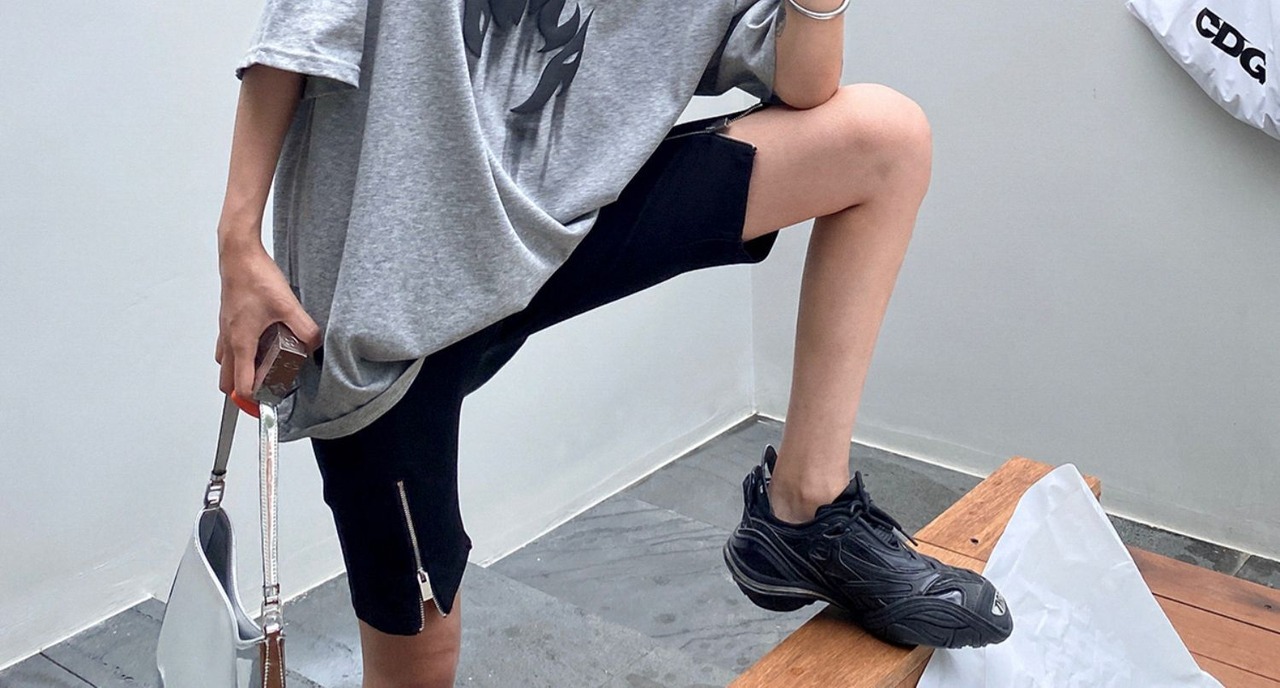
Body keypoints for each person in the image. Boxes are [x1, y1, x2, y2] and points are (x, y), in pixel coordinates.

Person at [215, 0, 1012, 684]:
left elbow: (807, 84)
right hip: (388, 291)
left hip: (564, 231)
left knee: (884, 141)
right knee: (419, 652)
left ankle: (803, 509)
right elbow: (301, 30)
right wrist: (240, 245)